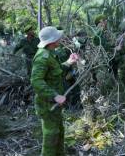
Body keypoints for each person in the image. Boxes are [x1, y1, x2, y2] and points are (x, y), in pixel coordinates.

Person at [30, 26, 79, 156]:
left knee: (59, 133)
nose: (61, 38)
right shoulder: (42, 57)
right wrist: (55, 96)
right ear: (53, 41)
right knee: (51, 137)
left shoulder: (50, 54)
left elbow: (56, 72)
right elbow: (36, 81)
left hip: (54, 105)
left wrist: (69, 62)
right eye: (58, 37)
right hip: (47, 105)